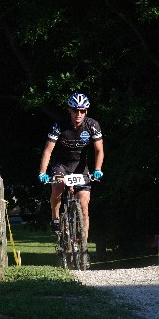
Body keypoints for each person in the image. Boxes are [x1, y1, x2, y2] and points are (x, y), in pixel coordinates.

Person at [39, 92, 104, 239]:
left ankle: (83, 248)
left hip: (80, 167)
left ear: (86, 111)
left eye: (82, 111)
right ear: (70, 110)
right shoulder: (59, 126)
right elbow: (48, 151)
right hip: (62, 165)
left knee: (84, 206)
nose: (78, 114)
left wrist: (98, 169)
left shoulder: (92, 125)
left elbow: (99, 150)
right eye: (75, 110)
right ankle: (55, 217)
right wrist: (43, 172)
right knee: (58, 186)